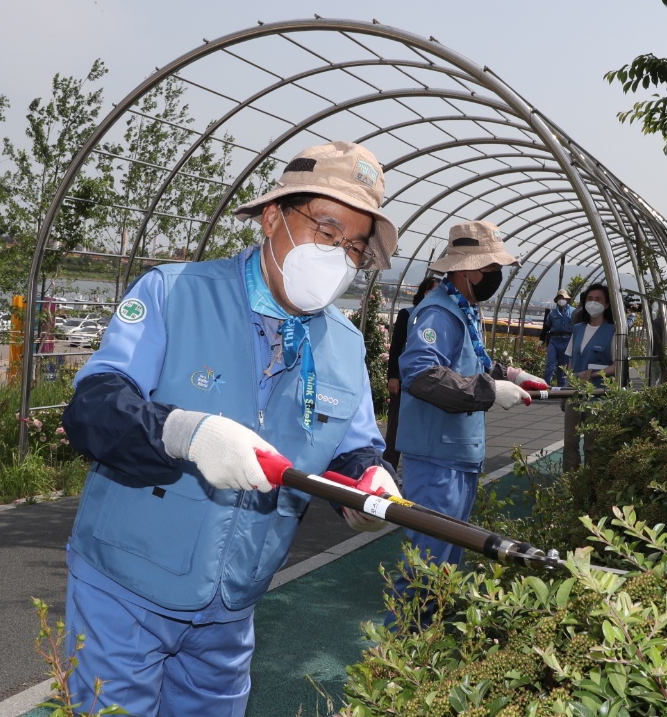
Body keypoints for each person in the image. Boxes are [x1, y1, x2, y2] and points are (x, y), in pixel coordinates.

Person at [60, 141, 402, 717]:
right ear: (273, 218)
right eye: (326, 227)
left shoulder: (344, 345)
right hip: (124, 587)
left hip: (232, 603)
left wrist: (369, 478)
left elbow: (354, 448)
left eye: (352, 246)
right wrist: (185, 433)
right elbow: (94, 410)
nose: (337, 255)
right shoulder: (175, 291)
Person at [391, 220, 549, 625]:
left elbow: (471, 361)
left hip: (456, 452)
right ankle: (402, 652)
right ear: (465, 270)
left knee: (446, 558)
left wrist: (509, 374)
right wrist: (490, 391)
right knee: (429, 560)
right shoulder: (438, 313)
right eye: (490, 268)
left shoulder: (464, 309)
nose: (496, 276)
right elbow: (421, 374)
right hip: (436, 455)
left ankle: (427, 645)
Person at [383, 275, 440, 471]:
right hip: (404, 382)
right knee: (395, 429)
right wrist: (393, 376)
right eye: (430, 290)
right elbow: (396, 347)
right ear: (423, 292)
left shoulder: (439, 318)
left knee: (423, 429)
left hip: (431, 384)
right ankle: (388, 470)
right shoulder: (408, 314)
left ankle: (416, 472)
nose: (434, 295)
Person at [562, 283, 616, 473]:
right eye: (590, 299)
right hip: (575, 393)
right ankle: (570, 483)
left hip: (597, 394)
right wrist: (565, 387)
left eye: (598, 300)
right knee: (570, 441)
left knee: (592, 444)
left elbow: (618, 366)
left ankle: (592, 486)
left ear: (607, 305)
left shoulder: (613, 331)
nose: (593, 303)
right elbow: (571, 360)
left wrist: (592, 374)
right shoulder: (578, 329)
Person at [542, 289, 573, 386]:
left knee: (563, 366)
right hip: (554, 340)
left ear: (567, 299)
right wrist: (541, 339)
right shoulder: (552, 313)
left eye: (563, 298)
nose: (561, 300)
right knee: (550, 363)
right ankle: (545, 385)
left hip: (567, 340)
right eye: (559, 298)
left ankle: (561, 387)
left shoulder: (574, 312)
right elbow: (546, 326)